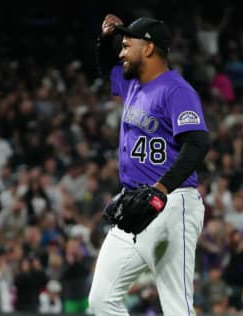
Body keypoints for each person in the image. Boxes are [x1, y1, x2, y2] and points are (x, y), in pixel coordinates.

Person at [88, 14, 209, 315]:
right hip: (134, 203)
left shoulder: (177, 91)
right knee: (101, 300)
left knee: (176, 306)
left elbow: (197, 144)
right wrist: (106, 37)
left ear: (150, 48)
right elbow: (106, 66)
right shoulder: (132, 84)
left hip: (173, 201)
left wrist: (162, 188)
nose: (121, 52)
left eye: (127, 45)